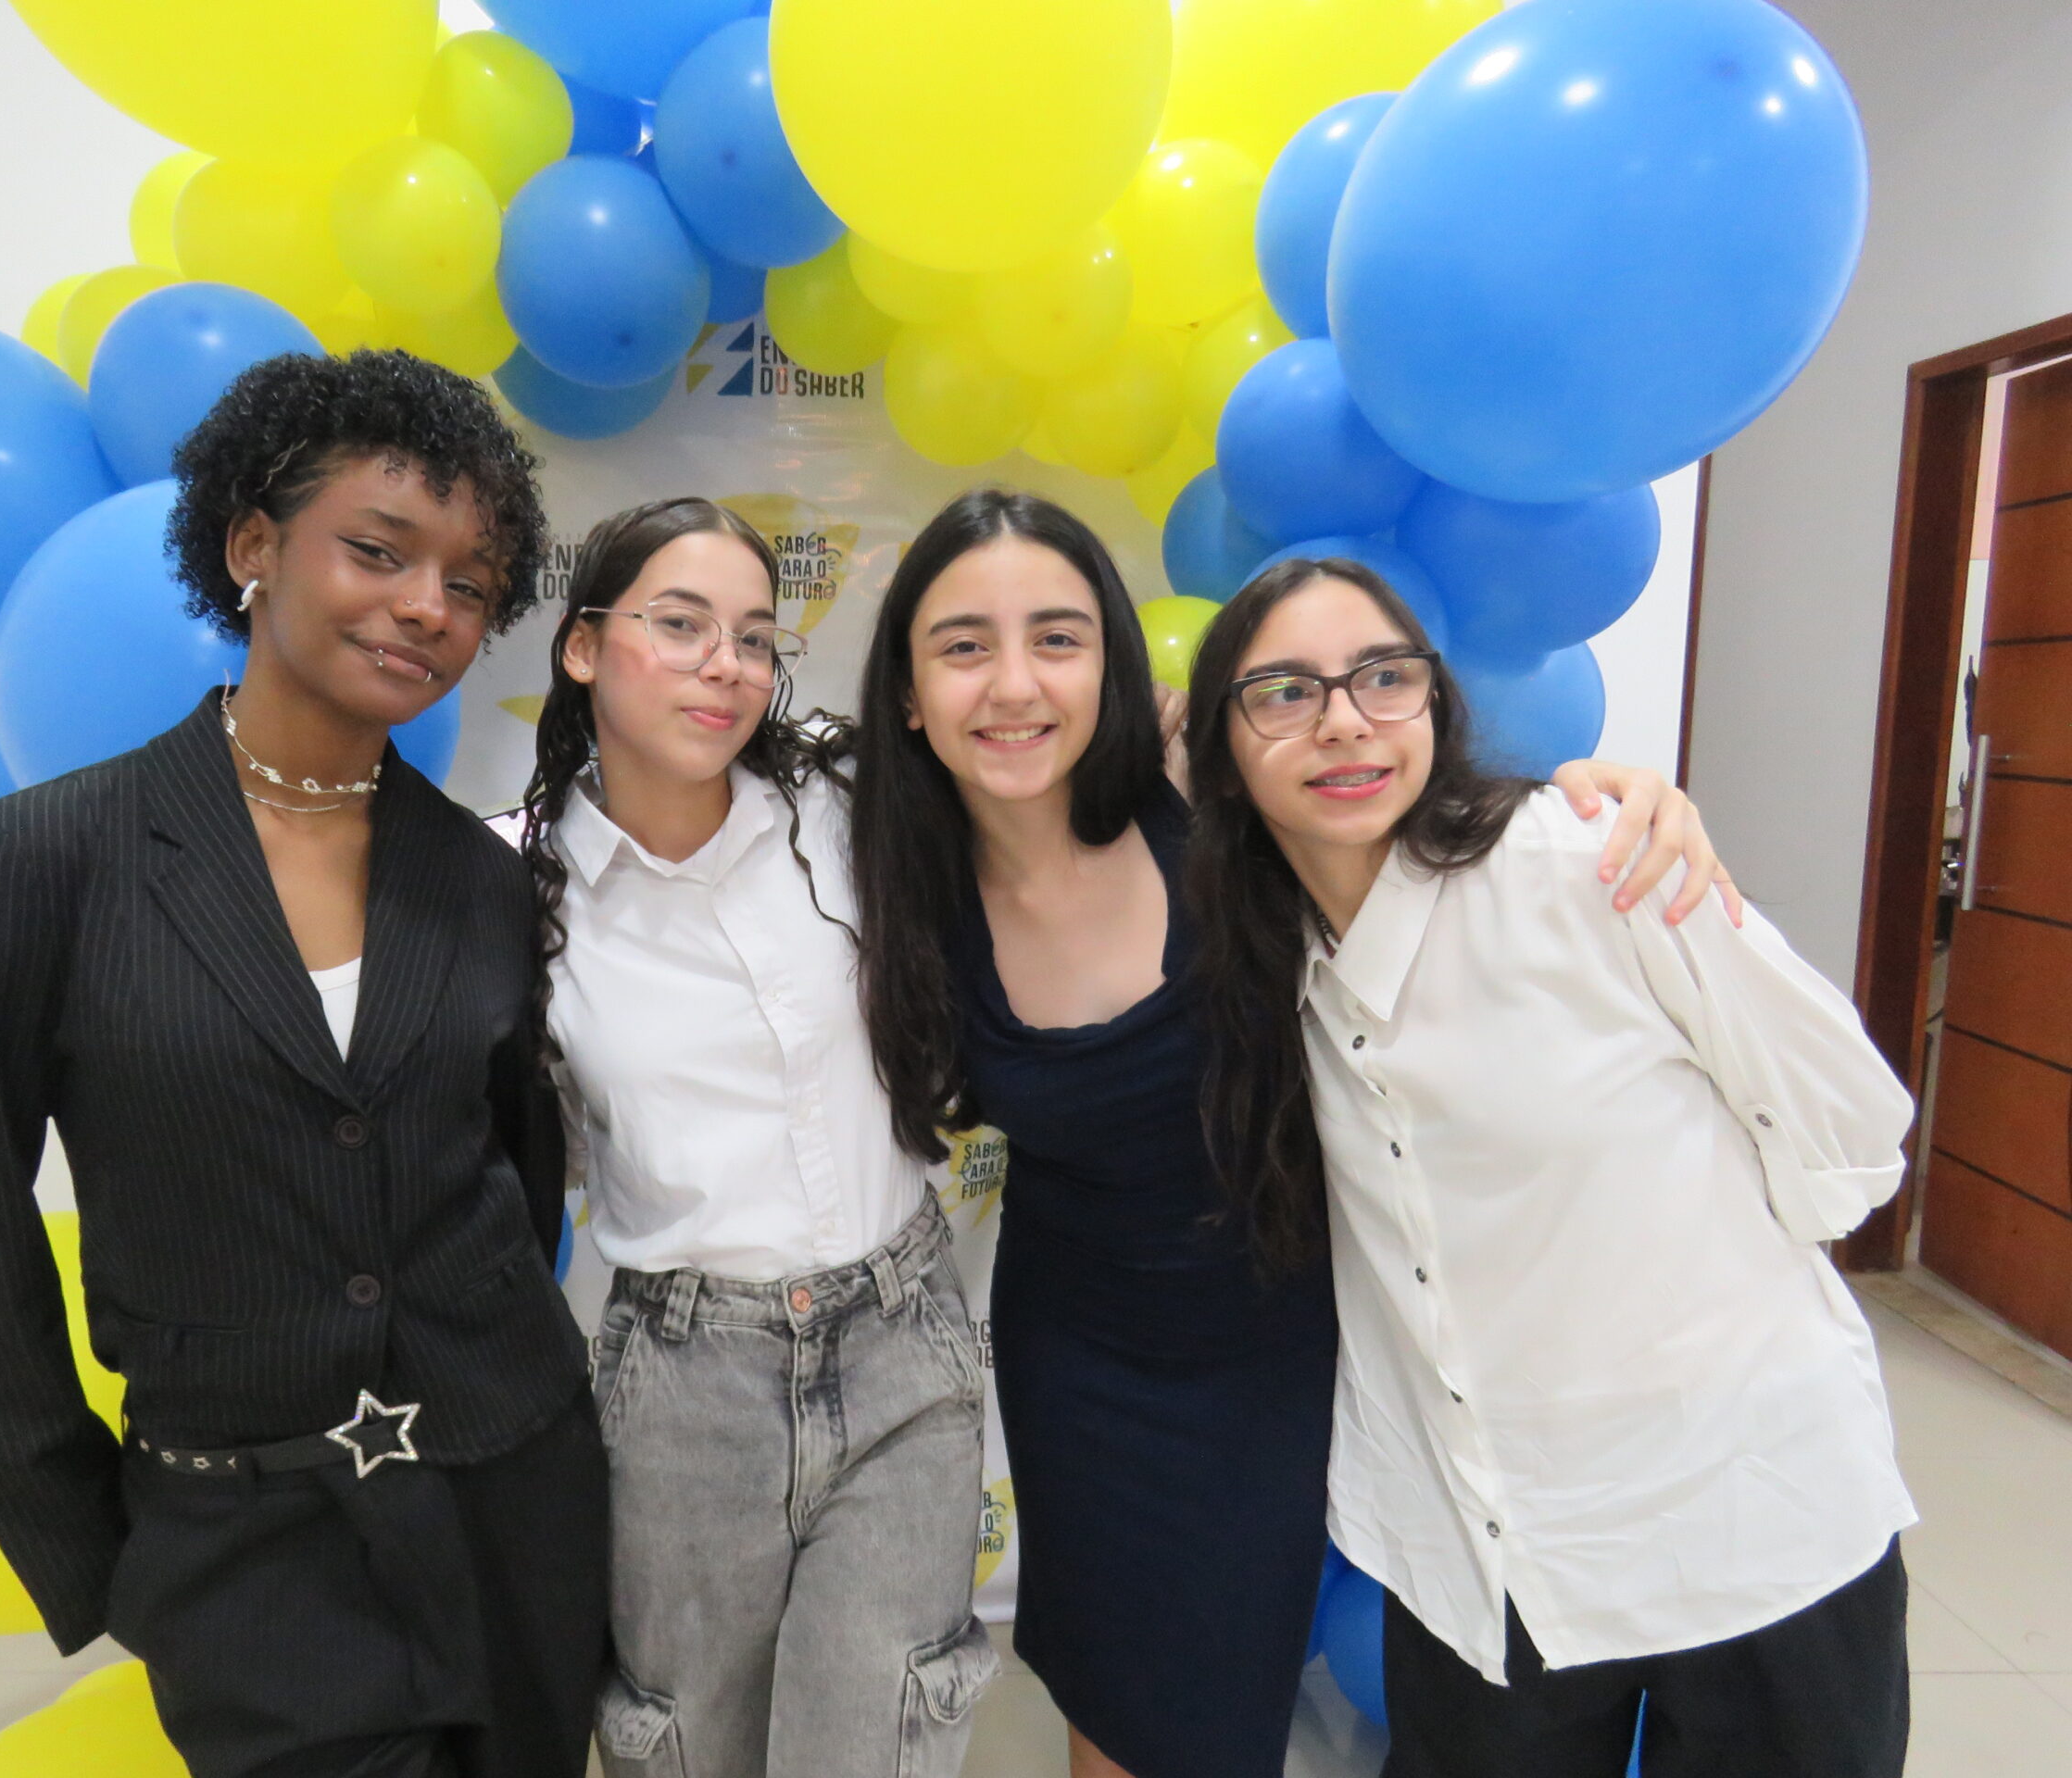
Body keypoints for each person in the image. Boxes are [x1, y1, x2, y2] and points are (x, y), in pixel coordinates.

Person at [844, 488, 1731, 1778]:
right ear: (910, 692)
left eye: (1058, 637)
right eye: (964, 645)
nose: (1015, 684)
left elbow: (1427, 825)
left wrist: (1606, 799)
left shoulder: (1210, 801)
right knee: (1111, 1697)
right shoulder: (894, 880)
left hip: (1278, 1353)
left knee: (1220, 1715)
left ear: (1111, 666)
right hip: (1077, 1360)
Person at [0, 350, 606, 1778]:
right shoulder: (44, 861)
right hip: (242, 1543)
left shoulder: (479, 880)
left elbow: (517, 1184)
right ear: (253, 545)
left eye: (469, 584)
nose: (427, 606)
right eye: (378, 551)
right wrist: (105, 1550)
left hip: (517, 1507)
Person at [1180, 556, 1915, 1778]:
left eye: (1382, 676)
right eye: (1285, 692)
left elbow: (1849, 1131)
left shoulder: (1590, 864)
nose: (1344, 721)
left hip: (1747, 1520)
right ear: (1224, 745)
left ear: (1435, 701)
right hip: (1484, 1560)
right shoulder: (1255, 966)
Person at [518, 496, 997, 1778]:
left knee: (874, 1743)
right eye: (680, 626)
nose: (724, 665)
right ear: (582, 646)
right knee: (690, 1748)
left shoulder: (846, 801)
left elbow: (1047, 787)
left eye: (751, 637)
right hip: (685, 1383)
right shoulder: (517, 891)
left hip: (900, 1346)